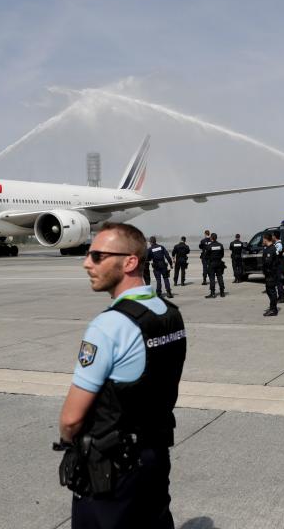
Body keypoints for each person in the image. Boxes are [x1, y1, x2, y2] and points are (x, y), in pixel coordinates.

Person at [57, 223, 187, 529]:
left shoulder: (109, 326)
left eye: (98, 255)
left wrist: (69, 441)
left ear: (129, 262)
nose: (86, 263)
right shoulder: (169, 313)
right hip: (154, 454)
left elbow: (71, 419)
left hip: (113, 467)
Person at [260, 233, 278, 317]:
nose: (262, 241)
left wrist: (266, 270)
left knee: (271, 291)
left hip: (270, 273)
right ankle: (273, 307)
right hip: (269, 273)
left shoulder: (270, 249)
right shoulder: (268, 248)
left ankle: (273, 309)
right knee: (269, 291)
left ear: (266, 239)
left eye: (263, 239)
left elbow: (268, 262)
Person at [204, 232, 226, 298]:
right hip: (219, 263)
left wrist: (209, 261)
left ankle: (213, 293)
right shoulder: (220, 245)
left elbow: (206, 256)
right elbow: (222, 254)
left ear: (211, 238)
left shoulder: (209, 246)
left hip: (212, 264)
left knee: (212, 278)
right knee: (220, 277)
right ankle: (222, 293)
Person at [272, 231, 284, 303]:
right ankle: (280, 296)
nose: (272, 237)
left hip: (278, 265)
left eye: (272, 236)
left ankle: (282, 297)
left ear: (275, 236)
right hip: (277, 265)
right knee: (277, 282)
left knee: (279, 282)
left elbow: (276, 253)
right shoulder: (276, 244)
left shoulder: (278, 245)